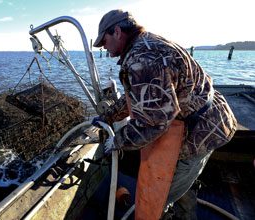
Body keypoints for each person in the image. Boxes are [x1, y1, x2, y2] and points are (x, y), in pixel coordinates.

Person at [93, 9, 237, 219]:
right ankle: (184, 213)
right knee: (180, 182)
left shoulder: (144, 59)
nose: (102, 47)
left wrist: (118, 140)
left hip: (200, 131)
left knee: (157, 197)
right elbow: (138, 96)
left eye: (103, 40)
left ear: (117, 31)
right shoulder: (145, 44)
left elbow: (154, 123)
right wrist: (107, 117)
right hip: (208, 118)